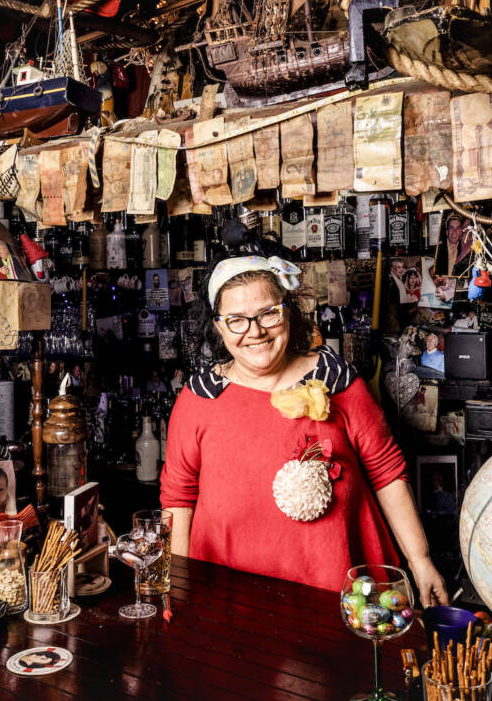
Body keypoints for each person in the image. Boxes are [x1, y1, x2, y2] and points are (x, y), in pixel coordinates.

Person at [160, 255, 449, 604]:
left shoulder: (335, 379)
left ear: (287, 312)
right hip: (227, 589)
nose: (255, 331)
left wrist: (420, 560)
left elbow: (386, 471)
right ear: (219, 327)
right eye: (236, 320)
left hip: (336, 583)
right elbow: (178, 498)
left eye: (268, 313)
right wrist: (177, 584)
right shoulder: (199, 396)